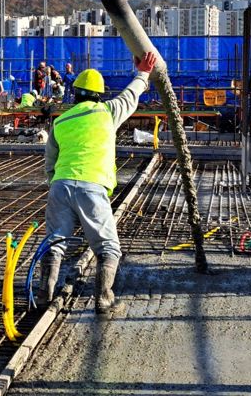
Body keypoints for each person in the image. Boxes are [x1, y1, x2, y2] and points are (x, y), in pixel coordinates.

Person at [40, 51, 157, 315]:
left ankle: (44, 295)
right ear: (98, 94)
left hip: (60, 185)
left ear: (76, 93)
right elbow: (131, 94)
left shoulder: (61, 121)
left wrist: (58, 187)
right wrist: (144, 72)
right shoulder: (107, 112)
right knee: (108, 248)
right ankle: (104, 300)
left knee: (55, 243)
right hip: (92, 186)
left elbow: (50, 163)